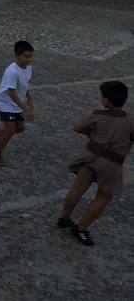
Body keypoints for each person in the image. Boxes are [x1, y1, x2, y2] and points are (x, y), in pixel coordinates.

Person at [57, 81, 133, 247]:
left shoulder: (98, 115)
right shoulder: (129, 121)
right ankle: (81, 228)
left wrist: (92, 134)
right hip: (111, 163)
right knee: (103, 197)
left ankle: (64, 218)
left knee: (77, 189)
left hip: (90, 156)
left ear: (106, 101)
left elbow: (77, 127)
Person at [0, 41, 34, 167]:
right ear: (17, 55)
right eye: (26, 56)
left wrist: (30, 99)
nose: (29, 59)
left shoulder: (29, 68)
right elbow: (12, 93)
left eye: (31, 56)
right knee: (10, 130)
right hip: (6, 103)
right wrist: (26, 109)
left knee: (20, 128)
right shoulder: (12, 71)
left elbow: (25, 86)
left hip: (17, 104)